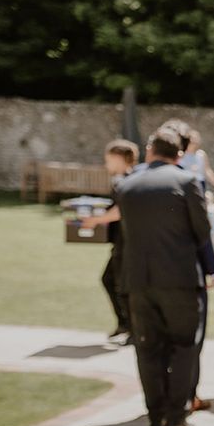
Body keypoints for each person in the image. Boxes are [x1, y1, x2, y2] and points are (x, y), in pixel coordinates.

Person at [115, 127, 212, 426]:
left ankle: (155, 414)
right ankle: (176, 415)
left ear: (149, 152)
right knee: (185, 346)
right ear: (180, 155)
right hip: (180, 279)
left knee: (148, 348)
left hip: (139, 281)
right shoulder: (187, 181)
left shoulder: (126, 186)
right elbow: (202, 231)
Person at [161, 119, 214, 413]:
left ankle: (164, 399)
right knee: (190, 339)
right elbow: (202, 230)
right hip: (186, 272)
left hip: (147, 274)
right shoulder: (188, 182)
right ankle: (186, 396)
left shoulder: (137, 178)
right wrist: (212, 268)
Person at [84, 139, 138, 344]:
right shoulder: (122, 180)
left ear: (119, 158)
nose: (106, 164)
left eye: (109, 159)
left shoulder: (126, 181)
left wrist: (96, 220)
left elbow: (122, 210)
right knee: (111, 280)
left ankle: (132, 328)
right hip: (120, 242)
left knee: (121, 284)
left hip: (127, 243)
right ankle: (125, 323)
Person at [179, 129, 214, 196]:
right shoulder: (181, 155)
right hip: (186, 184)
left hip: (200, 183)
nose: (195, 141)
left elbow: (207, 170)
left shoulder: (201, 154)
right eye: (193, 139)